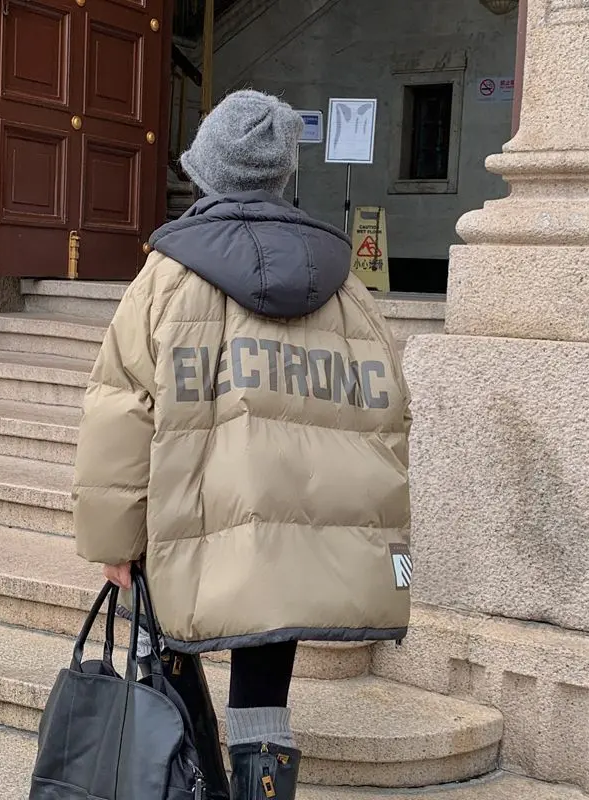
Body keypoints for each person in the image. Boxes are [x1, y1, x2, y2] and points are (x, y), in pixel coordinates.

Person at [72, 89, 412, 800]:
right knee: (265, 693)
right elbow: (383, 412)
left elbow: (120, 413)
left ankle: (186, 784)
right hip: (295, 527)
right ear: (282, 175)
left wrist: (114, 539)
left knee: (162, 655)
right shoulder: (347, 288)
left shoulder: (165, 278)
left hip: (186, 518)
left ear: (205, 173)